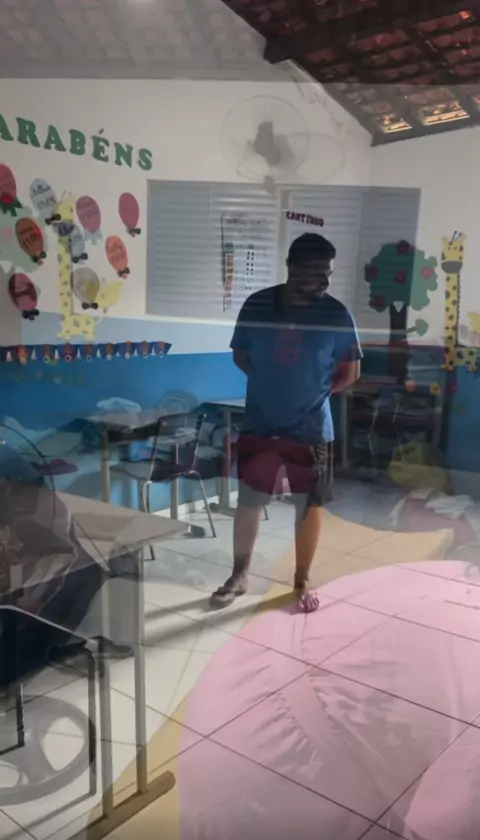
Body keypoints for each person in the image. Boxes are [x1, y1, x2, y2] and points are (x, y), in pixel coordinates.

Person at [210, 233, 362, 613]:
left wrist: (311, 397)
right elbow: (242, 356)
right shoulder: (258, 304)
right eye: (315, 272)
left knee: (308, 505)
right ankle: (239, 575)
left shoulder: (337, 314)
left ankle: (301, 579)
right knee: (249, 501)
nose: (324, 281)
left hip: (311, 430)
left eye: (328, 273)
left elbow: (351, 372)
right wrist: (272, 388)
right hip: (260, 424)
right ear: (291, 267)